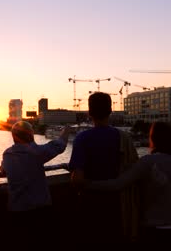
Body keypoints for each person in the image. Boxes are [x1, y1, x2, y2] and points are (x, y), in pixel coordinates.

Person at [83, 121, 171, 244]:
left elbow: (118, 184)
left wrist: (88, 184)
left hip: (151, 232)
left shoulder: (147, 162)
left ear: (152, 139)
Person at [68, 92, 139, 244]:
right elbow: (134, 171)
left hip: (90, 205)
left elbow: (78, 179)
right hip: (118, 205)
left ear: (89, 113)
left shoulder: (82, 139)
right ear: (110, 111)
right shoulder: (123, 138)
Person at [0, 121, 70, 248]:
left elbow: (3, 169)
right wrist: (66, 131)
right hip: (39, 211)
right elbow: (60, 145)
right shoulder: (37, 152)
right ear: (30, 135)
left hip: (17, 211)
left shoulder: (7, 154)